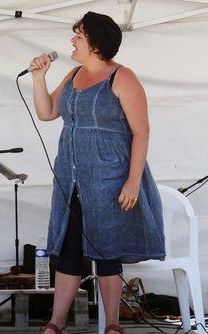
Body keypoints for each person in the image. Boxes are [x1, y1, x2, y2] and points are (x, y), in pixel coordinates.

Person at [30, 12, 165, 334]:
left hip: (110, 178)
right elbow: (47, 112)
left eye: (78, 35)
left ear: (95, 42)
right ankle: (55, 323)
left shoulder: (123, 77)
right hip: (71, 175)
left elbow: (142, 131)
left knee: (107, 249)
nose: (72, 40)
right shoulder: (74, 74)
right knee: (68, 247)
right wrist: (38, 78)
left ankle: (113, 325)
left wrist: (133, 181)